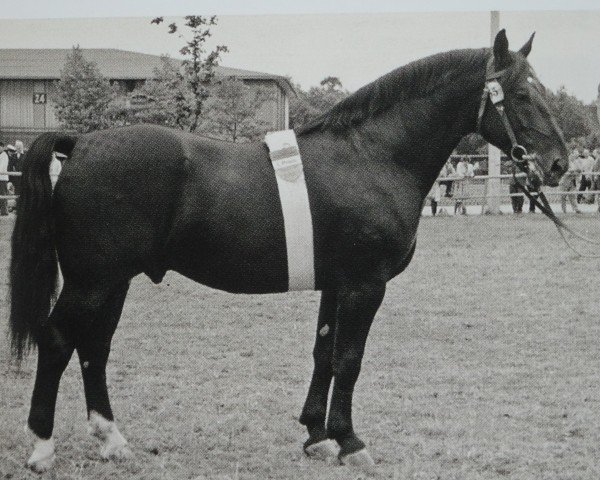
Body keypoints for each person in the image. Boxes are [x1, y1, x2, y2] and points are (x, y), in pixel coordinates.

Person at [0, 142, 9, 215]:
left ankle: (4, 211)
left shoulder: (4, 155)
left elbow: (2, 167)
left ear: (2, 147)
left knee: (3, 194)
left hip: (2, 178)